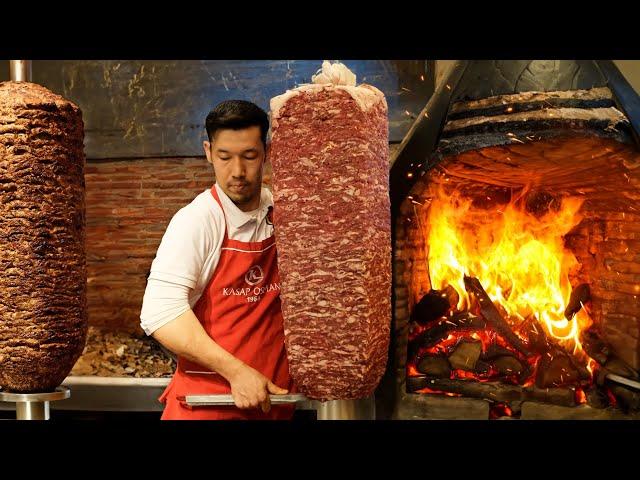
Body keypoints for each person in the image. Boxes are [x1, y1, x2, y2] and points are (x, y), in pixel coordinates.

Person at [140, 100, 295, 420]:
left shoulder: (280, 210)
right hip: (208, 406)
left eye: (249, 156)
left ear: (266, 151)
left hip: (271, 404)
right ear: (209, 152)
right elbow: (160, 314)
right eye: (225, 157)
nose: (237, 171)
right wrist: (237, 372)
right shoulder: (197, 221)